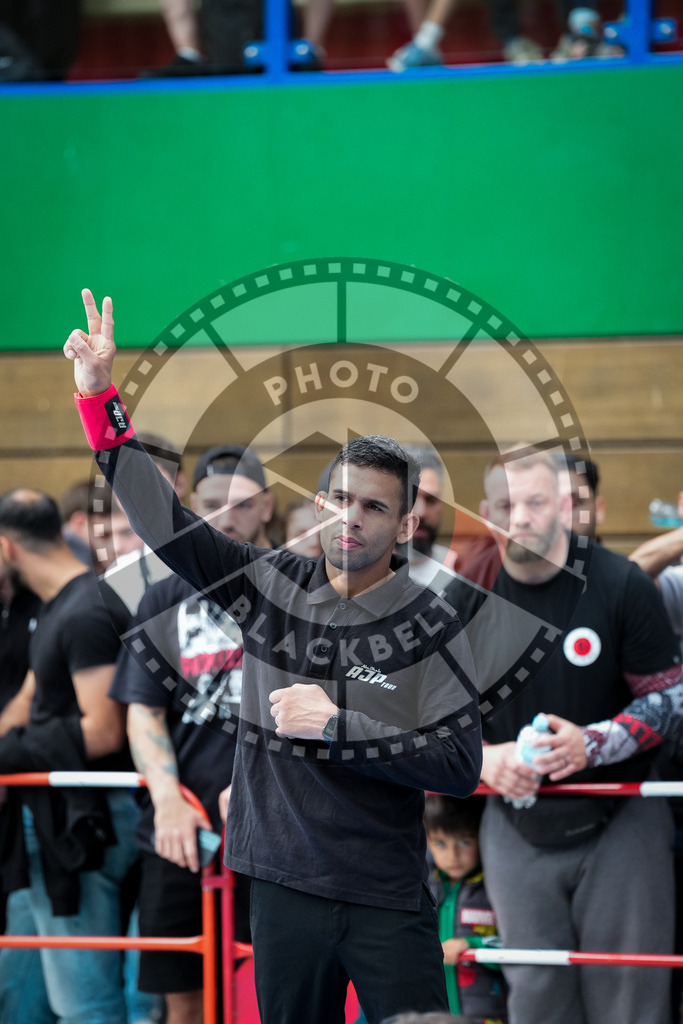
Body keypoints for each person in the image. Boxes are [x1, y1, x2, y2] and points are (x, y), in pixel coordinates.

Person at [63, 288, 482, 1024]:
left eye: (375, 507)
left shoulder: (429, 621)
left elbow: (458, 765)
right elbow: (164, 523)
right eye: (342, 500)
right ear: (319, 505)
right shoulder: (264, 583)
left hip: (386, 892)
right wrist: (101, 401)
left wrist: (338, 723)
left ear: (407, 523)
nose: (353, 518)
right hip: (283, 885)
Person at [442, 446, 682, 1024]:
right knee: (537, 996)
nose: (520, 517)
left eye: (535, 501)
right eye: (506, 504)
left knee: (631, 994)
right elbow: (430, 720)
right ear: (487, 510)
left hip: (620, 818)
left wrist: (594, 742)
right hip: (516, 822)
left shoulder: (622, 584)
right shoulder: (464, 597)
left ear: (566, 506)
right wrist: (484, 759)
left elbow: (669, 698)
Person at [109, 443, 273, 1024]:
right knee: (183, 994)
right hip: (185, 828)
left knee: (269, 990)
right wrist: (166, 803)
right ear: (192, 508)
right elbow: (142, 710)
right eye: (211, 504)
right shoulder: (161, 597)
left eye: (241, 503)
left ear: (267, 508)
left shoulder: (293, 591)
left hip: (277, 832)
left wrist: (261, 786)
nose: (226, 516)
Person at [0, 488, 139, 1024]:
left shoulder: (84, 610)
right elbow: (28, 701)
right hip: (65, 820)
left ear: (8, 548)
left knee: (87, 1004)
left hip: (87, 824)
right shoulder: (62, 606)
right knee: (56, 995)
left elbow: (103, 730)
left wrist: (10, 754)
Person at [425, 795, 506, 1024]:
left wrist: (471, 945)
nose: (453, 856)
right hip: (434, 1012)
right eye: (440, 843)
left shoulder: (496, 888)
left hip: (488, 1013)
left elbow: (517, 946)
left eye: (464, 842)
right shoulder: (420, 886)